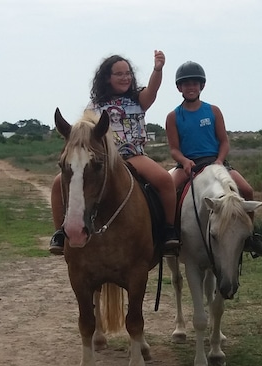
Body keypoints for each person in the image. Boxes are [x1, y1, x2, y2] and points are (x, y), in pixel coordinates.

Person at [49, 52, 180, 255]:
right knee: (58, 183)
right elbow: (84, 133)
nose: (125, 77)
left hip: (133, 156)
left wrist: (157, 69)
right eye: (118, 74)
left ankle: (168, 230)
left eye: (128, 73)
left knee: (164, 180)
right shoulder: (94, 106)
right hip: (102, 159)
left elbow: (152, 90)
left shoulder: (138, 100)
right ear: (107, 78)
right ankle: (60, 234)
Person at [164, 60, 262, 257]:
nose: (191, 87)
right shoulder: (173, 116)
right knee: (166, 191)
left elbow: (224, 141)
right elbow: (174, 149)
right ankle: (169, 234)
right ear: (179, 87)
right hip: (188, 164)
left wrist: (220, 161)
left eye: (195, 83)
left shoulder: (213, 111)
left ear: (201, 86)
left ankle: (250, 236)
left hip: (214, 161)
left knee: (247, 190)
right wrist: (185, 161)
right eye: (186, 84)